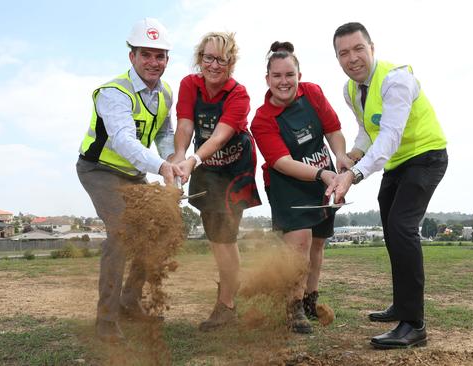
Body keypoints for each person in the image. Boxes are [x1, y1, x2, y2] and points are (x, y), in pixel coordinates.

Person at [327, 22, 448, 349]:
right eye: (343, 53)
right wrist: (351, 156)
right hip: (396, 165)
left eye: (358, 49)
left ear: (372, 48)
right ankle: (401, 305)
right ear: (337, 58)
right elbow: (369, 131)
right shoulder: (351, 89)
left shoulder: (396, 80)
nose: (352, 58)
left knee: (401, 226)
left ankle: (414, 324)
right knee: (392, 231)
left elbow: (390, 136)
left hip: (425, 157)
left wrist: (353, 175)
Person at [76, 18, 183, 343]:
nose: (154, 63)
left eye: (160, 56)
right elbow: (123, 140)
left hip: (134, 174)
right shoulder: (113, 93)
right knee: (123, 232)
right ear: (132, 57)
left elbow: (164, 132)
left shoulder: (165, 93)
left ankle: (129, 300)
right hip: (100, 170)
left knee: (161, 226)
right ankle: (106, 320)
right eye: (146, 55)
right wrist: (162, 167)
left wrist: (174, 163)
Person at [250, 41, 352, 334]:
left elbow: (333, 130)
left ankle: (310, 298)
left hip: (325, 178)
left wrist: (341, 157)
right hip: (289, 185)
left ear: (299, 75)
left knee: (318, 241)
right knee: (299, 245)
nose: (284, 82)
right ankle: (292, 308)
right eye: (277, 76)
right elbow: (281, 162)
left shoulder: (313, 93)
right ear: (268, 79)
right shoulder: (262, 119)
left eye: (289, 75)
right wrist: (322, 174)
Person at [172, 32, 261, 331]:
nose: (213, 65)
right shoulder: (189, 85)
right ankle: (228, 295)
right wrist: (179, 157)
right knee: (215, 234)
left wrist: (192, 160)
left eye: (221, 59)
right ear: (200, 58)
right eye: (208, 57)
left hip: (235, 168)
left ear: (231, 62)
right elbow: (185, 124)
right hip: (205, 166)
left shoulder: (239, 94)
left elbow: (221, 134)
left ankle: (227, 306)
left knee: (225, 236)